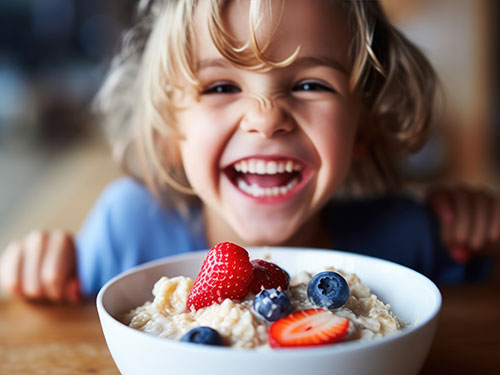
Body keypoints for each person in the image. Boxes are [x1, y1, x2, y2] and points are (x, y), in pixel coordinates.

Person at [1, 0, 498, 303]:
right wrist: (34, 271)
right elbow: (50, 307)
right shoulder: (128, 230)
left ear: (363, 124)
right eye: (220, 87)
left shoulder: (407, 240)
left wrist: (476, 225)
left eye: (309, 84)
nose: (265, 117)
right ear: (172, 129)